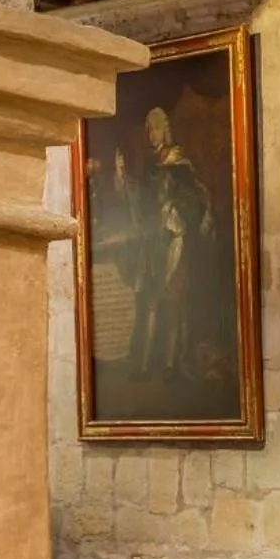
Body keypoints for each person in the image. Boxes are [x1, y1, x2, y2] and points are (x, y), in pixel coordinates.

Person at [111, 106, 215, 379]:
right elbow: (142, 200)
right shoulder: (153, 165)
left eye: (154, 127)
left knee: (174, 303)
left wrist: (174, 209)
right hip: (156, 243)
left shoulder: (178, 162)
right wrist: (122, 176)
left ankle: (174, 364)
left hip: (175, 242)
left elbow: (196, 200)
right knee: (152, 302)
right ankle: (148, 365)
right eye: (146, 128)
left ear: (164, 129)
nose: (150, 134)